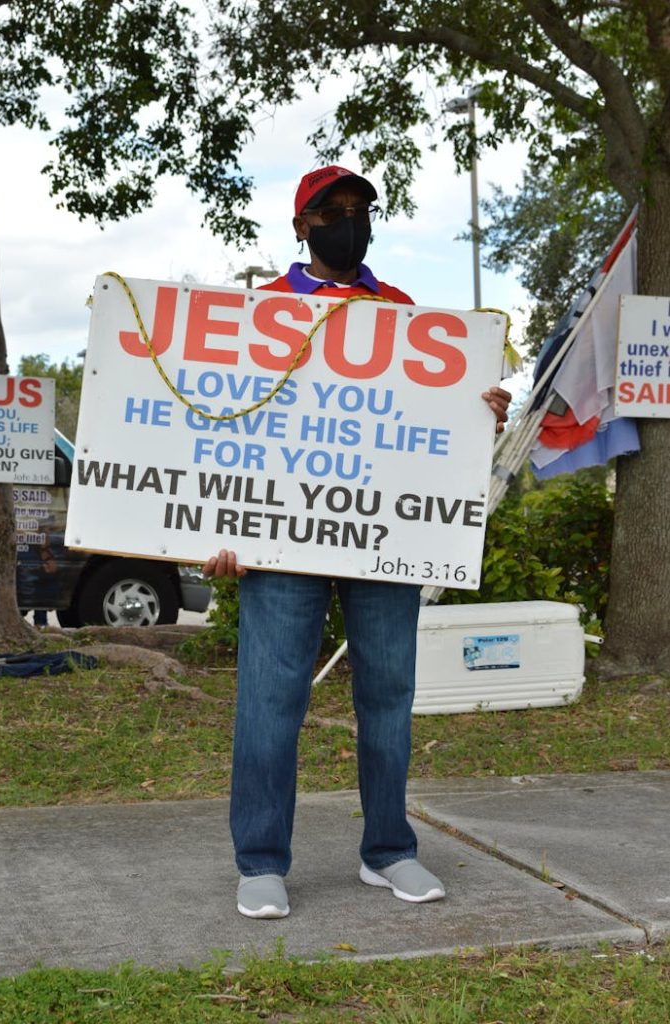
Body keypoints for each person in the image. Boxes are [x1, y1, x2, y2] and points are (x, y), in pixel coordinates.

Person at [203, 165, 512, 919]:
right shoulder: (261, 312)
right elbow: (216, 432)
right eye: (332, 211)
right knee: (270, 701)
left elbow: (429, 428)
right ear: (300, 226)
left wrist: (480, 415)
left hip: (384, 537)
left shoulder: (404, 313)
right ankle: (261, 861)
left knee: (388, 697)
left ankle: (389, 852)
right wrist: (210, 529)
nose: (349, 220)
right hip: (282, 544)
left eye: (360, 209)